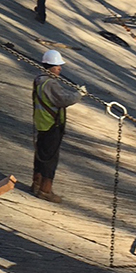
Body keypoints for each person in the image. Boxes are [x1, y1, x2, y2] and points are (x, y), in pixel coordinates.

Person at [32, 49, 84, 202]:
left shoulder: (39, 80)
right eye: (57, 66)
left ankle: (36, 183)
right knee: (50, 159)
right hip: (52, 124)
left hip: (42, 123)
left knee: (41, 156)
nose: (60, 68)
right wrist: (79, 95)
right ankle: (45, 190)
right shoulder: (51, 83)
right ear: (50, 67)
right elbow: (63, 100)